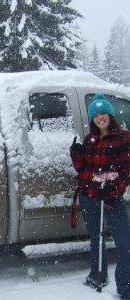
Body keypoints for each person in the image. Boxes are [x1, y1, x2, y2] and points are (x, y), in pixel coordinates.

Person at [70, 94, 130, 299]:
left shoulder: (124, 138)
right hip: (90, 196)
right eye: (96, 114)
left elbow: (125, 171)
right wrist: (76, 155)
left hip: (112, 199)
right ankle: (98, 276)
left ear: (110, 116)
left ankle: (125, 288)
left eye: (104, 112)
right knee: (96, 239)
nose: (100, 117)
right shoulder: (90, 139)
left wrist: (112, 187)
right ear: (92, 118)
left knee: (125, 245)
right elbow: (83, 169)